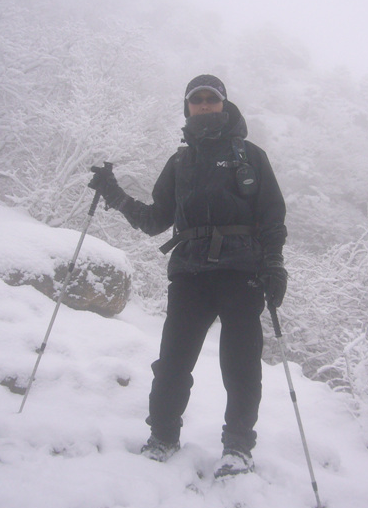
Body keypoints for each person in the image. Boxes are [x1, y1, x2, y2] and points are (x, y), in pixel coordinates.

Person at [88, 74, 287, 478]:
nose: (204, 105)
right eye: (196, 100)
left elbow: (272, 216)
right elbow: (155, 220)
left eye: (211, 99)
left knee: (241, 365)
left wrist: (274, 263)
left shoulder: (252, 156)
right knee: (173, 363)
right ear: (188, 108)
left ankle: (237, 448)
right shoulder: (180, 163)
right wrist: (115, 195)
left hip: (242, 274)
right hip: (190, 275)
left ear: (224, 105)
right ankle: (162, 437)